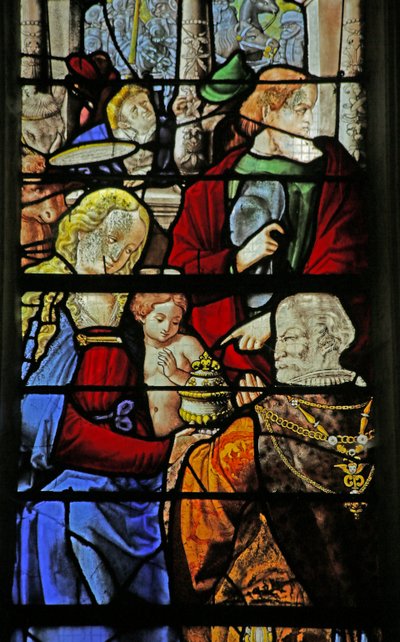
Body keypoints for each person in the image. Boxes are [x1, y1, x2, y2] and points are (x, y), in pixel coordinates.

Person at [14, 188, 177, 641]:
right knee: (59, 515)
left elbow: (136, 399)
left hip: (124, 471)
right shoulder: (43, 295)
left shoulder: (128, 308)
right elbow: (36, 417)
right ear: (84, 229)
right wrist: (150, 456)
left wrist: (154, 449)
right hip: (61, 467)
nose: (121, 259)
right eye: (114, 241)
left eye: (132, 252)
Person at [170, 293, 378, 642]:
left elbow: (206, 523)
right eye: (279, 339)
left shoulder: (253, 430)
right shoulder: (379, 412)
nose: (278, 351)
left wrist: (194, 452)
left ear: (328, 341)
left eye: (291, 337)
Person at [167, 67, 367, 380]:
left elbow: (344, 265)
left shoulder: (334, 173)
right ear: (266, 112)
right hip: (233, 348)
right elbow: (182, 270)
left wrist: (276, 321)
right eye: (299, 109)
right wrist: (239, 260)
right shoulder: (210, 187)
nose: (308, 120)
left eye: (310, 110)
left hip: (310, 345)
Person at [130, 292, 207, 436]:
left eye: (175, 322)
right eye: (160, 319)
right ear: (142, 316)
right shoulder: (133, 350)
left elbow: (214, 385)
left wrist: (176, 374)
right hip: (146, 437)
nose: (167, 327)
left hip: (186, 434)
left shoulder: (186, 344)